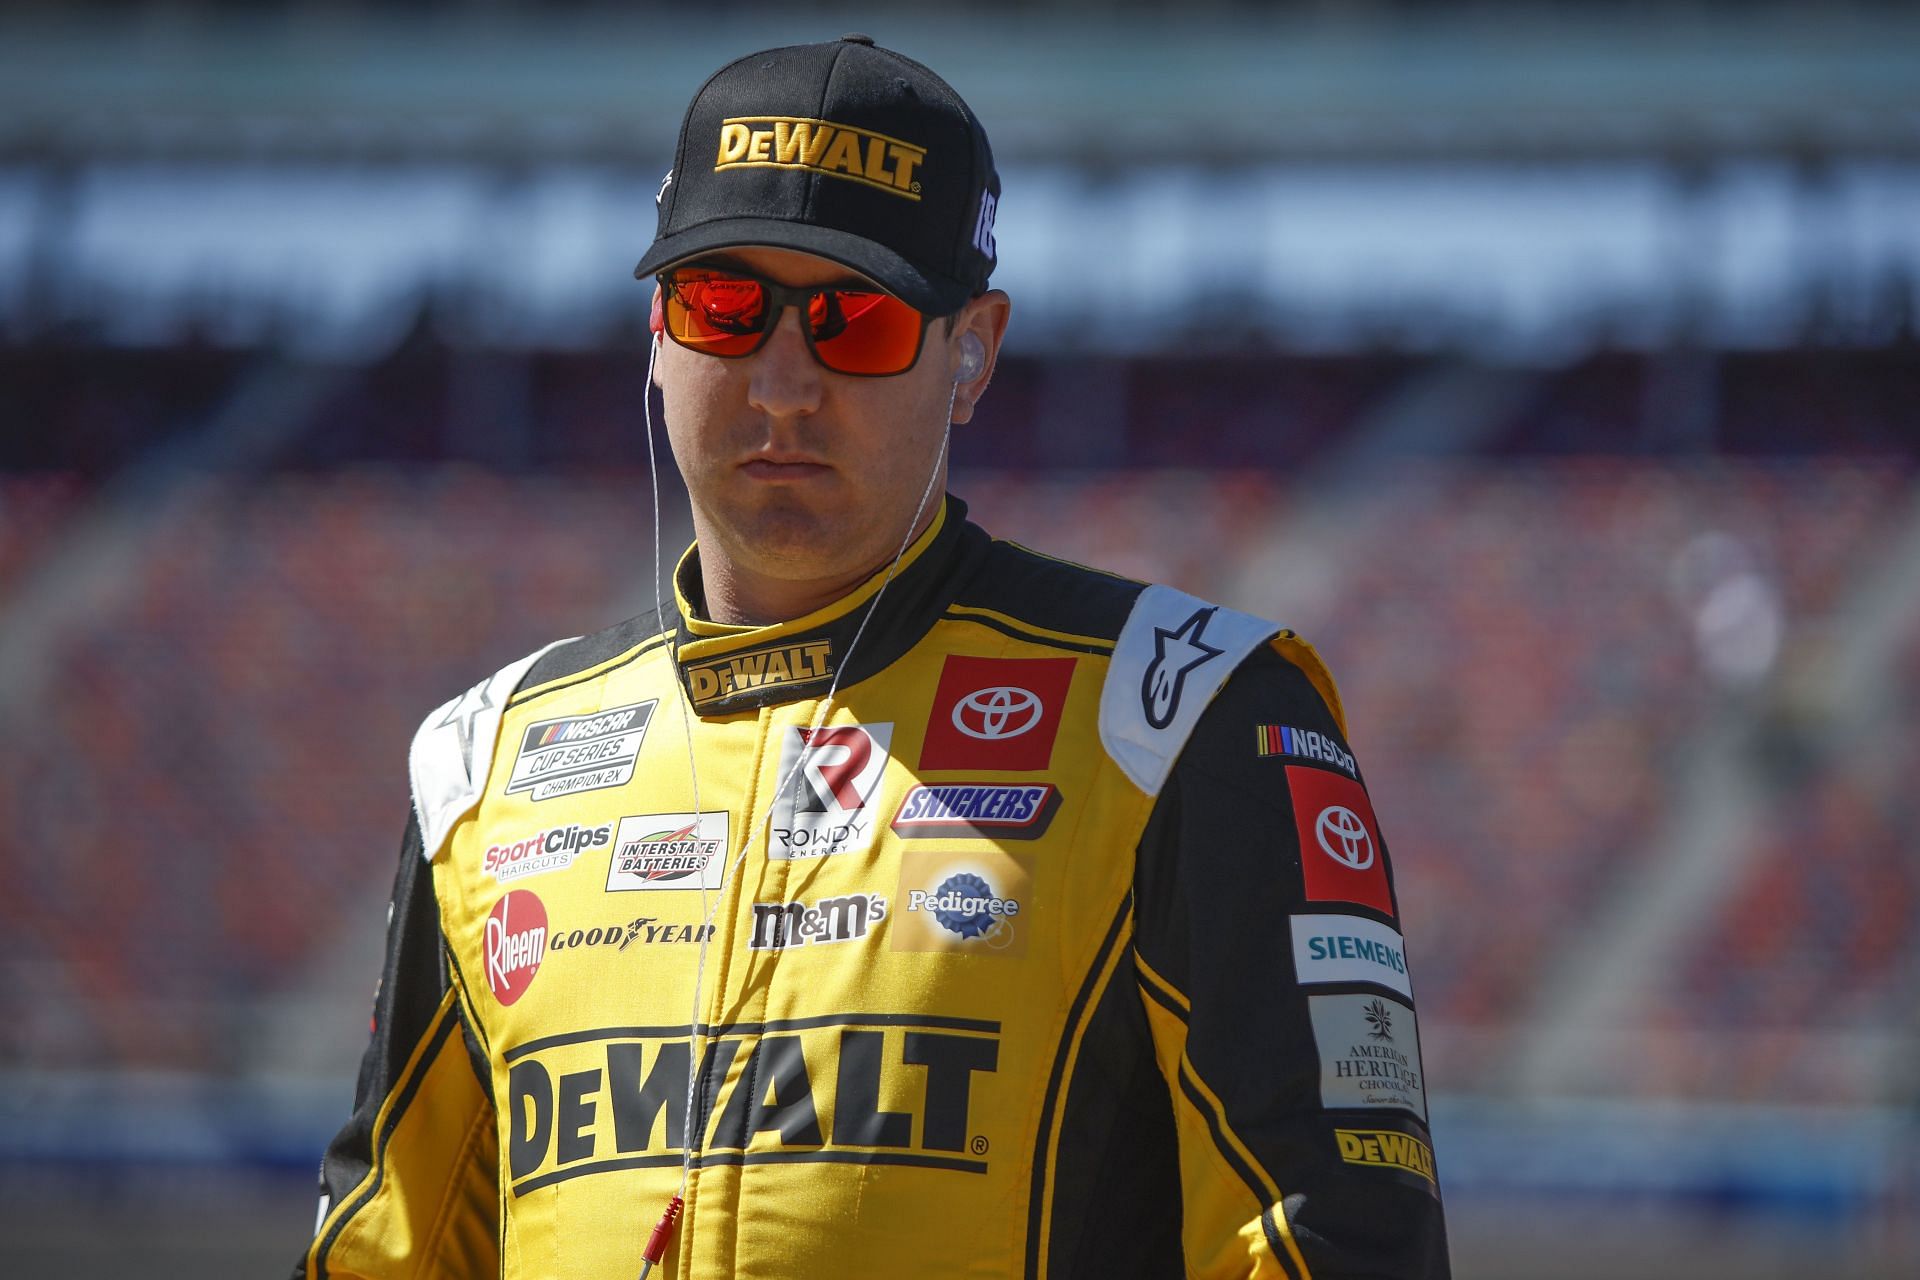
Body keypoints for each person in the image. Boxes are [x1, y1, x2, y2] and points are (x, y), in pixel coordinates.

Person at [295, 34, 1449, 1280]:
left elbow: (1336, 1249)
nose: (782, 383)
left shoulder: (1184, 720)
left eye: (857, 320)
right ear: (656, 334)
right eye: (724, 306)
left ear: (974, 352)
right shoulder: (487, 766)